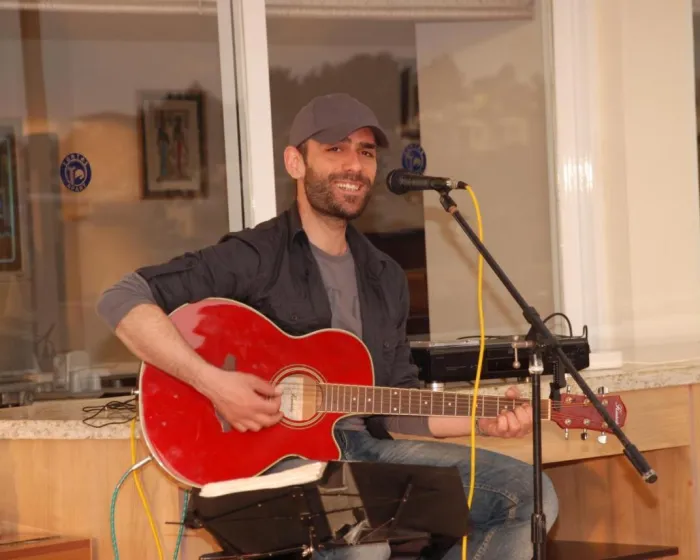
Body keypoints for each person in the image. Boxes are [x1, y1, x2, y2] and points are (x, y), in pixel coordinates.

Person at [96, 93, 558, 560]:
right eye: (335, 149)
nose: (354, 165)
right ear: (295, 162)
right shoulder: (255, 257)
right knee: (362, 546)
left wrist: (483, 420)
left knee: (529, 496)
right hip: (270, 463)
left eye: (366, 152)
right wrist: (213, 383)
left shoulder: (384, 276)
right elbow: (122, 298)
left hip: (360, 451)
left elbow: (395, 403)